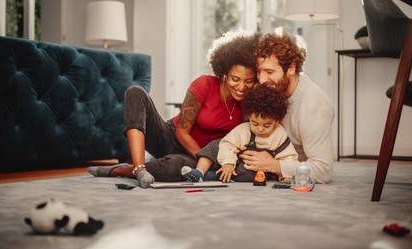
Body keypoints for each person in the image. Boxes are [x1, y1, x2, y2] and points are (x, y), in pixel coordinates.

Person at [87, 30, 260, 188]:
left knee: (172, 170)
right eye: (235, 79)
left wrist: (207, 161)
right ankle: (139, 168)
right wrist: (202, 158)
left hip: (195, 157)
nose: (242, 86)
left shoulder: (249, 104)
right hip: (171, 137)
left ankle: (124, 170)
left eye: (249, 81)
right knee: (135, 92)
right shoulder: (204, 84)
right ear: (224, 72)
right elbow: (181, 132)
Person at [242, 28, 335, 183]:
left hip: (285, 163)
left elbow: (323, 170)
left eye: (269, 72)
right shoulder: (266, 89)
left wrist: (273, 165)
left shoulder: (315, 106)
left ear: (291, 68)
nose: (262, 80)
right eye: (259, 71)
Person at [181, 84, 298, 183]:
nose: (260, 129)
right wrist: (228, 163)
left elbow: (288, 157)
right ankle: (199, 171)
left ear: (276, 121)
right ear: (249, 116)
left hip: (251, 168)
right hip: (233, 159)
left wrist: (284, 175)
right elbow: (227, 144)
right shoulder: (244, 129)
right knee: (214, 146)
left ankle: (211, 176)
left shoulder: (280, 135)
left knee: (249, 174)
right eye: (255, 124)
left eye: (266, 125)